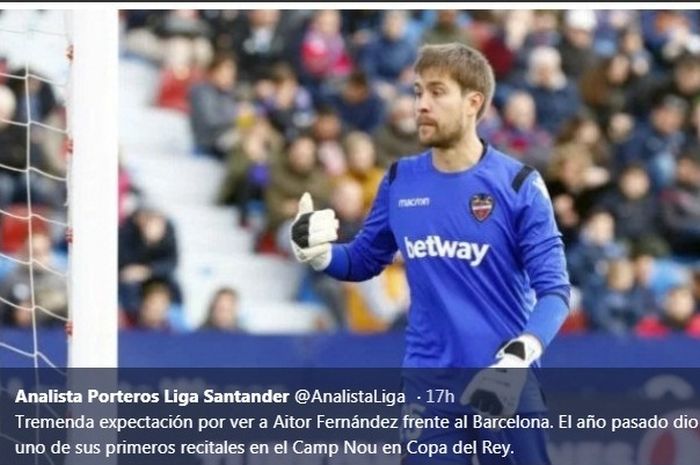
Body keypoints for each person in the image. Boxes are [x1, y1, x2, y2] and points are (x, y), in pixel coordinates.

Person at [289, 43, 569, 465]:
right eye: (418, 91)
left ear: (473, 102)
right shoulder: (401, 180)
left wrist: (520, 354)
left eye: (437, 92)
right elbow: (364, 259)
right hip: (429, 384)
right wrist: (319, 254)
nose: (421, 104)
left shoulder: (518, 185)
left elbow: (554, 292)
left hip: (506, 378)